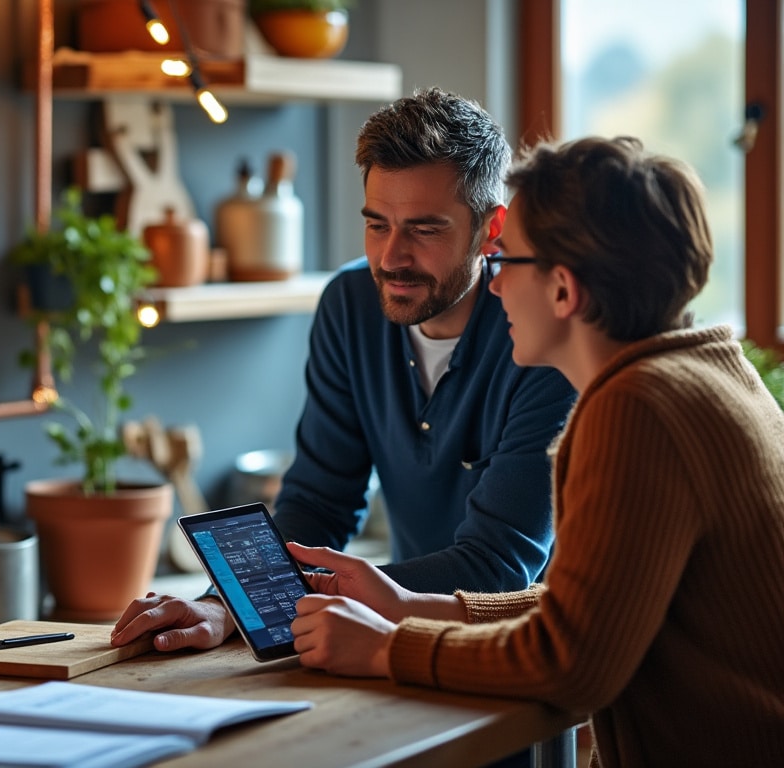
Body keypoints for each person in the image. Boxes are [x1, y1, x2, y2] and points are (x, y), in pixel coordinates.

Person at [288, 136, 784, 766]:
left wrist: (389, 647)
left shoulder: (637, 410)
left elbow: (573, 664)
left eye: (507, 261)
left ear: (562, 290)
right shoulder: (709, 372)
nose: (493, 288)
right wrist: (408, 605)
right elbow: (589, 609)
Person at [112, 88, 575, 653]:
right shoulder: (350, 304)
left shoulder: (541, 332)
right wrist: (222, 604)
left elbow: (500, 566)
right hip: (398, 641)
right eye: (377, 224)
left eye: (425, 229)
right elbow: (319, 502)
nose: (392, 257)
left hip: (520, 652)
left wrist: (300, 594)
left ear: (490, 228)